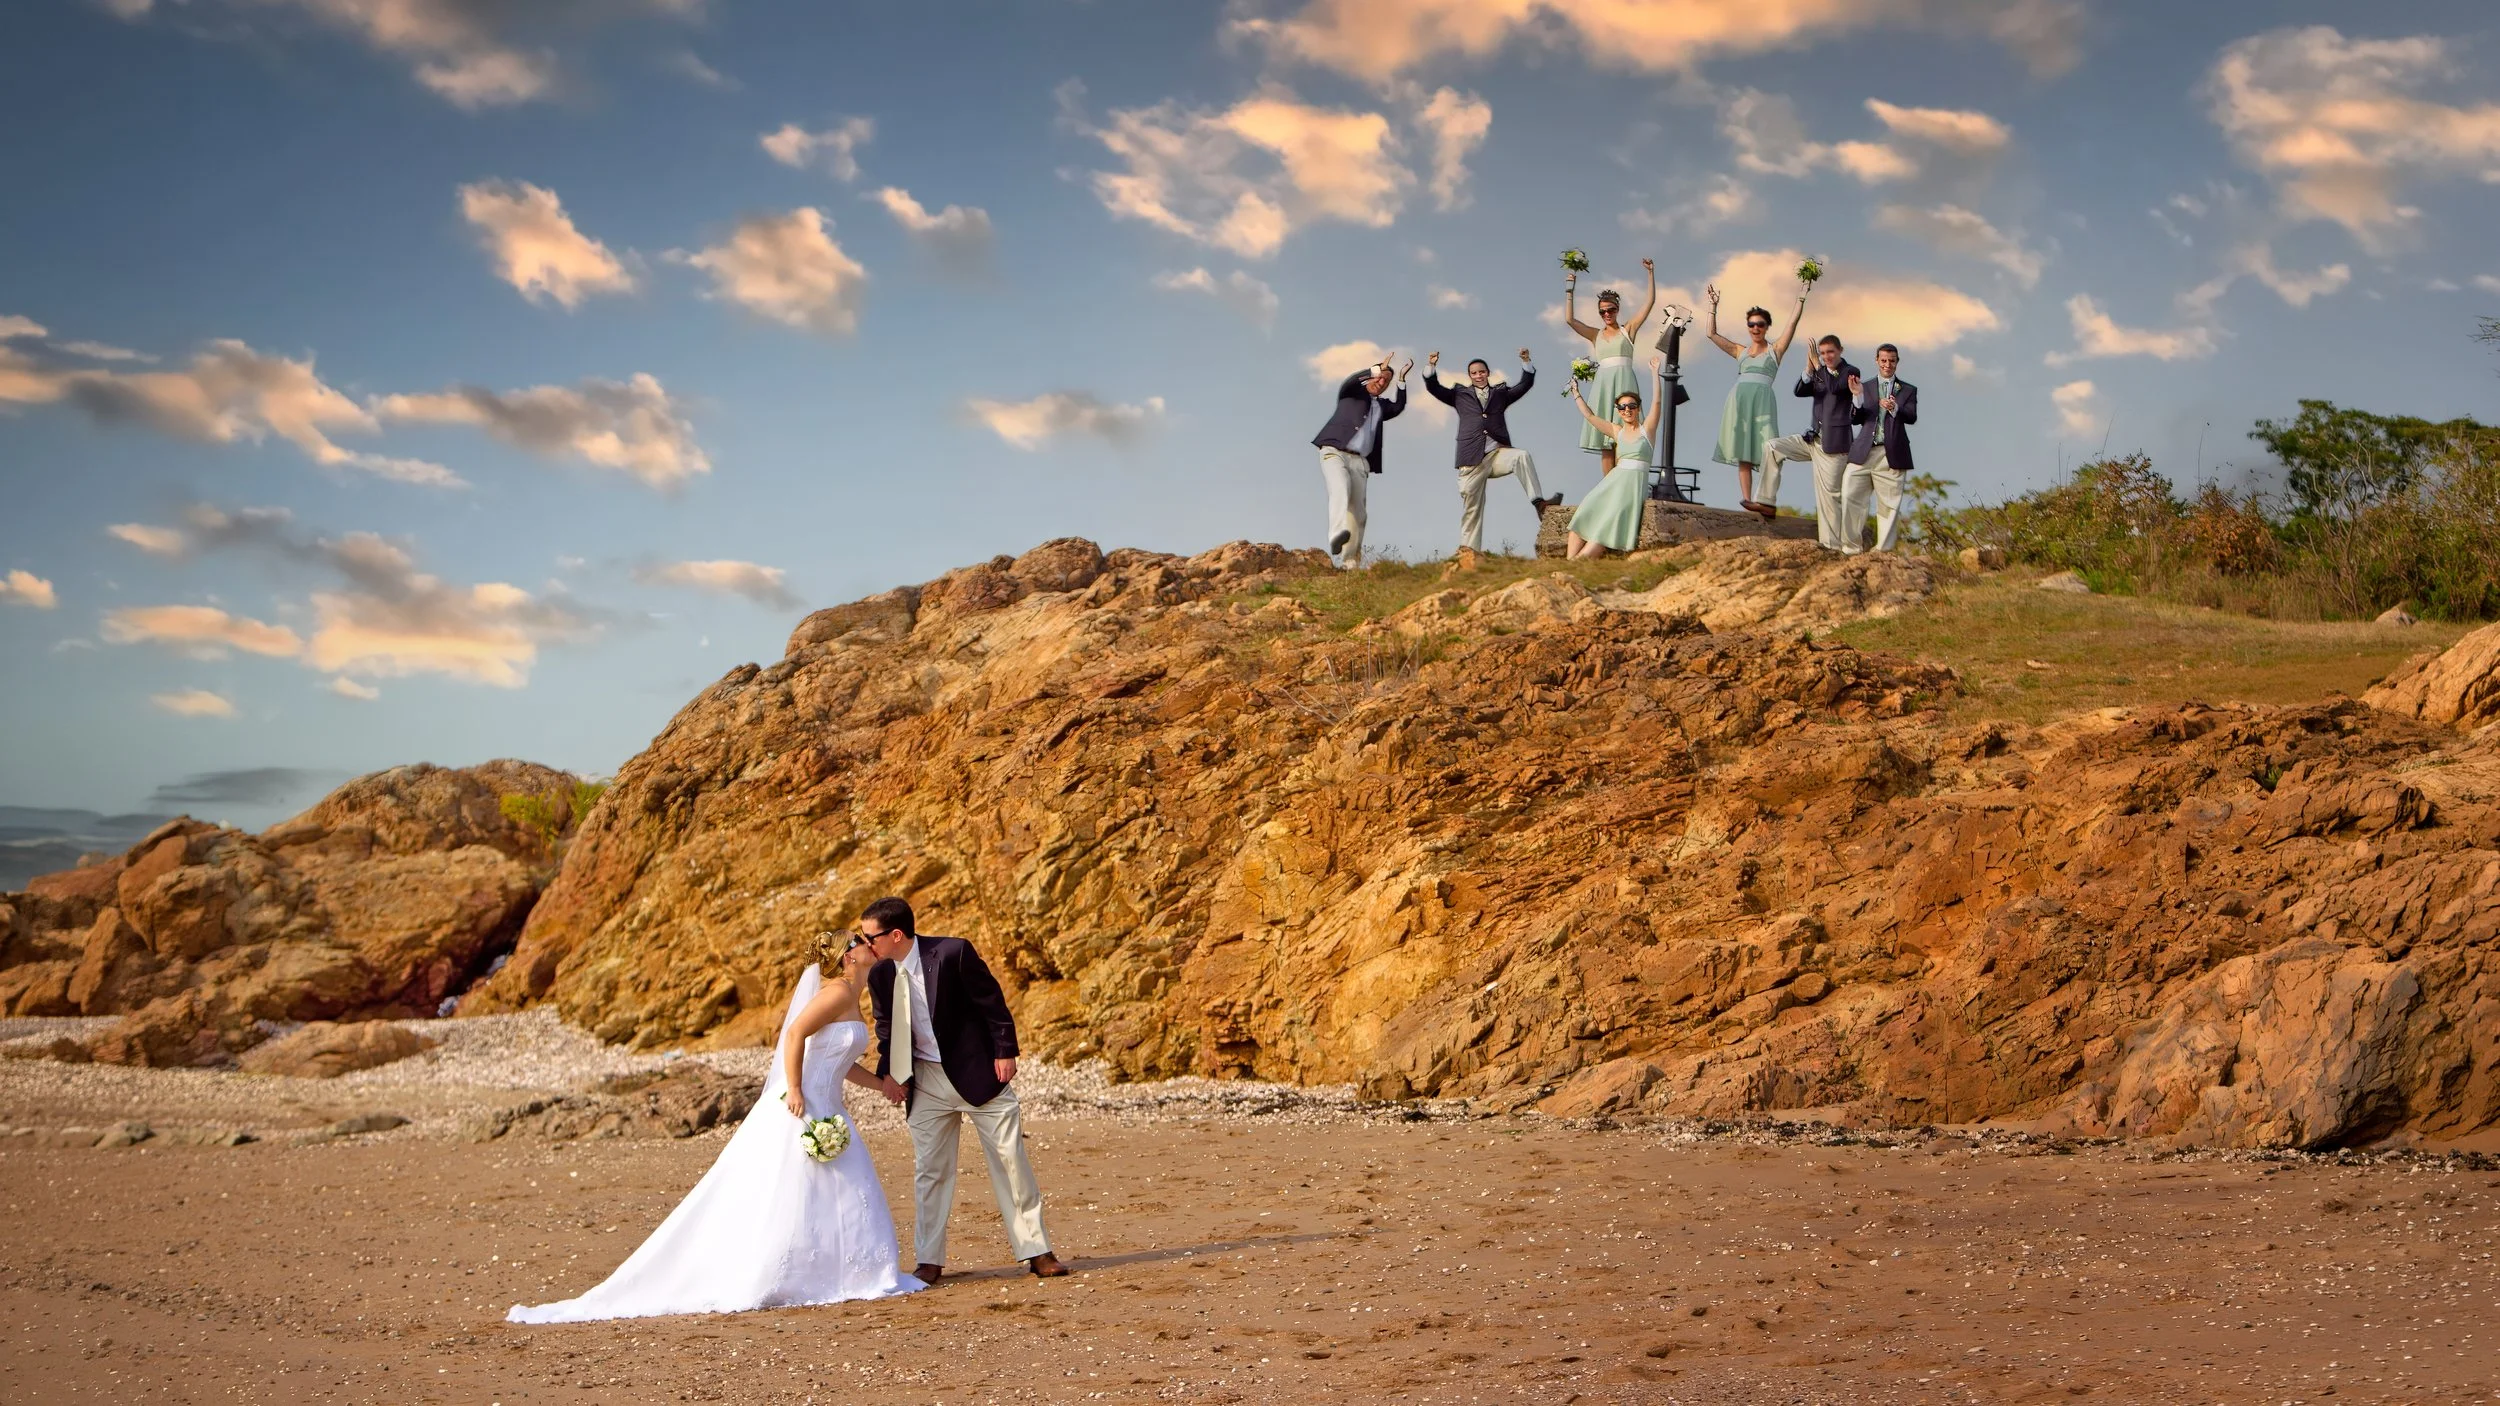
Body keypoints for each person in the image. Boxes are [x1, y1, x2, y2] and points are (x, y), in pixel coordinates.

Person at [507, 933, 922, 1322]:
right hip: (803, 1106)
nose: (871, 944)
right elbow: (795, 1035)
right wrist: (794, 1089)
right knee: (792, 1190)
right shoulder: (835, 993)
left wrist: (880, 1084)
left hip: (831, 1108)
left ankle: (846, 1272)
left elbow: (837, 1061)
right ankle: (787, 1274)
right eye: (863, 940)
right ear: (849, 955)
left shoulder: (851, 995)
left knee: (842, 1190)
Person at [859, 896, 1066, 1284]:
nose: (866, 944)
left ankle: (1037, 1252)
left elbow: (992, 1003)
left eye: (870, 937)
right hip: (925, 1082)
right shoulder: (880, 976)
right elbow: (886, 1030)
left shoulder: (953, 952)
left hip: (978, 1073)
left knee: (1010, 1161)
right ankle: (930, 1260)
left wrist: (1005, 1051)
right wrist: (890, 1075)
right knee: (930, 1172)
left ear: (896, 934)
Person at [1425, 347, 1557, 567]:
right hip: (1471, 459)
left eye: (1482, 372)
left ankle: (1539, 503)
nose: (1478, 375)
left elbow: (1525, 385)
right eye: (1474, 373)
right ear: (1470, 376)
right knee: (1472, 507)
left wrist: (1526, 361)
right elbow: (1434, 388)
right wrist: (1431, 367)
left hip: (1496, 455)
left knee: (1521, 456)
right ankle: (1469, 553)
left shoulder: (1500, 394)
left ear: (1487, 373)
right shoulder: (1459, 395)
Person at [1704, 279, 1809, 520]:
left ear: (1767, 326)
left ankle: (1766, 500)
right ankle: (1749, 501)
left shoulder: (1775, 350)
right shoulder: (1740, 351)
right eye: (1751, 324)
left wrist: (1801, 296)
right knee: (1744, 452)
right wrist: (1713, 306)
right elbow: (1710, 334)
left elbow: (1792, 323)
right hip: (1739, 401)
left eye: (1760, 324)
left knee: (1769, 448)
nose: (1755, 328)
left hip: (1763, 402)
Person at [1561, 356, 1667, 559]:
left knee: (1601, 535)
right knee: (1582, 517)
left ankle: (1573, 567)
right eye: (1622, 407)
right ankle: (1568, 563)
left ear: (1637, 408)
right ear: (1618, 411)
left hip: (1631, 487)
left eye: (1631, 406)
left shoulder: (1647, 430)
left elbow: (1657, 401)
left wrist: (1655, 373)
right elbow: (1591, 417)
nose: (1627, 410)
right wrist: (1576, 394)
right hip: (1613, 482)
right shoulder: (1617, 430)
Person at [1309, 357, 1409, 568]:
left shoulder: (1382, 406)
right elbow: (1353, 380)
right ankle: (1336, 533)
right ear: (1370, 377)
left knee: (1359, 513)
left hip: (1360, 462)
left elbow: (1398, 406)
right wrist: (1376, 369)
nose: (1381, 382)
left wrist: (1400, 379)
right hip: (1334, 452)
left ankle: (1350, 562)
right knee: (1340, 487)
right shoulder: (1352, 393)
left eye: (1386, 382)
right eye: (1380, 378)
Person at [1762, 335, 1860, 550]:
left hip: (1835, 447)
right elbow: (1799, 391)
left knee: (1829, 498)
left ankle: (1832, 548)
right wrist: (1809, 368)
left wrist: (1818, 365)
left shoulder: (1850, 372)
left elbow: (1834, 388)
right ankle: (1766, 501)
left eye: (1830, 352)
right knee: (1772, 447)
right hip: (1812, 439)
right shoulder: (1819, 371)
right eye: (1822, 353)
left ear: (1840, 350)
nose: (1826, 357)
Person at [1562, 258, 1657, 477]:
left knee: (1624, 437)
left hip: (1624, 384)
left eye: (1610, 310)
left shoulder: (1628, 330)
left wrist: (1650, 273)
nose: (1606, 314)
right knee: (1605, 441)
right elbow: (1569, 320)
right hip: (1604, 386)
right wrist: (1570, 290)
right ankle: (1607, 485)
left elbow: (1649, 302)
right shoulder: (1596, 335)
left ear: (1617, 309)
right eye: (1602, 311)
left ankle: (1622, 482)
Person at [1842, 343, 1918, 553]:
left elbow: (1911, 417)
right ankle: (1850, 549)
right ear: (1877, 360)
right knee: (1849, 497)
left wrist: (1895, 408)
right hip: (1863, 452)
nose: (1887, 364)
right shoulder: (1864, 387)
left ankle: (1882, 552)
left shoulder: (1909, 390)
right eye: (1883, 360)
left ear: (1897, 362)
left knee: (1889, 505)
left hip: (1891, 454)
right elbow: (1855, 419)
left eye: (1891, 360)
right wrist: (1857, 397)